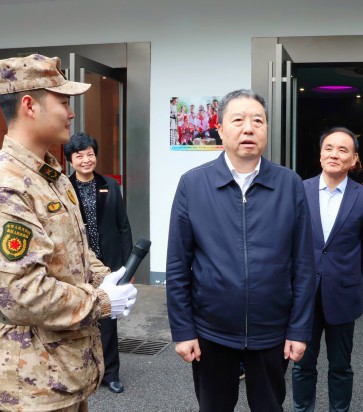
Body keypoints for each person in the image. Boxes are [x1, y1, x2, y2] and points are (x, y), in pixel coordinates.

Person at [0, 54, 137, 411]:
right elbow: (21, 293)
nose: (71, 113)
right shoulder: (9, 187)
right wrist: (101, 301)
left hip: (67, 377)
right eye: (63, 102)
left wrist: (106, 277)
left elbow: (75, 248)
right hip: (32, 389)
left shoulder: (54, 177)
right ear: (29, 105)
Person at [166, 89, 316, 412]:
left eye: (257, 121)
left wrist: (299, 329)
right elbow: (178, 265)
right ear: (220, 129)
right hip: (212, 331)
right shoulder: (193, 184)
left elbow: (304, 264)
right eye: (238, 120)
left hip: (272, 331)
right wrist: (183, 330)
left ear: (266, 129)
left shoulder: (289, 184)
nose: (249, 128)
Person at [293, 127, 363, 411]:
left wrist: (345, 272)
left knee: (341, 366)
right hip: (304, 295)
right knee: (302, 364)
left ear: (354, 160)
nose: (334, 154)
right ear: (320, 155)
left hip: (343, 294)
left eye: (343, 150)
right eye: (329, 148)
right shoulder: (299, 190)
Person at [64, 133, 134, 393]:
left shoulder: (109, 185)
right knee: (78, 317)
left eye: (90, 154)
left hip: (109, 262)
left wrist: (127, 266)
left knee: (108, 318)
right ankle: (82, 373)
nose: (86, 160)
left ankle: (110, 373)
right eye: (79, 155)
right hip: (77, 264)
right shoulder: (64, 187)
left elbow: (123, 226)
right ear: (70, 160)